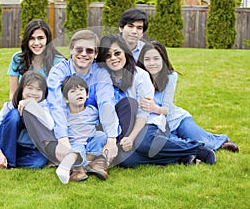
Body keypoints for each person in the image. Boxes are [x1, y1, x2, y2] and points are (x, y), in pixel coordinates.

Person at [96, 34, 217, 168]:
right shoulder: (105, 79)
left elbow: (143, 113)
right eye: (108, 55)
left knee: (144, 143)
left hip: (149, 122)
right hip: (125, 128)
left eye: (117, 53)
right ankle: (181, 157)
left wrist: (131, 138)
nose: (113, 58)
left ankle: (195, 149)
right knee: (126, 160)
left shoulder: (141, 76)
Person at [24, 30, 120, 178]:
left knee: (105, 129)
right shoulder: (58, 72)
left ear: (95, 54)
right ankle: (81, 162)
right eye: (79, 49)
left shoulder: (101, 73)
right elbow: (56, 106)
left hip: (90, 127)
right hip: (63, 126)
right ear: (71, 50)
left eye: (89, 50)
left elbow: (106, 104)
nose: (84, 54)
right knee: (32, 112)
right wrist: (63, 139)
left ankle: (86, 162)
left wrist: (112, 140)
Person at [137, 41, 239, 152]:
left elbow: (168, 108)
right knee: (177, 144)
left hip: (176, 119)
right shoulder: (138, 78)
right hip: (158, 126)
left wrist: (154, 108)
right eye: (147, 59)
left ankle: (220, 140)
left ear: (163, 59)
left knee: (205, 142)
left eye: (156, 58)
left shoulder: (170, 77)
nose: (152, 63)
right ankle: (197, 147)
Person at [0, 71, 54, 169]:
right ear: (22, 89)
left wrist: (32, 104)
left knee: (39, 162)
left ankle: (2, 162)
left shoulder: (44, 106)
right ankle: (3, 159)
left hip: (28, 149)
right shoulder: (9, 106)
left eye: (38, 89)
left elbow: (50, 126)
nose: (34, 93)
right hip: (8, 144)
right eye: (30, 88)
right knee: (14, 114)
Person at [56, 76, 108, 184]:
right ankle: (67, 168)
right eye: (73, 91)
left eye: (81, 90)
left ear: (87, 94)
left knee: (101, 135)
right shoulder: (64, 114)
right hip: (74, 145)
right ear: (66, 98)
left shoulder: (93, 111)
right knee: (77, 149)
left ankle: (85, 165)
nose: (78, 93)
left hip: (90, 145)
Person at [7, 19, 65, 100]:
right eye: (32, 38)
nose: (36, 43)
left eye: (40, 38)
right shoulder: (17, 59)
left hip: (49, 108)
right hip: (23, 106)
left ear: (47, 39)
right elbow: (13, 94)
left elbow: (61, 96)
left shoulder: (59, 62)